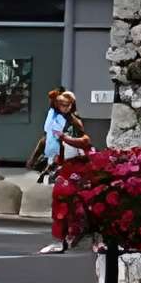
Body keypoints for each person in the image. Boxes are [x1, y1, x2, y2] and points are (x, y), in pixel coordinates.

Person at [29, 87, 92, 252]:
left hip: (75, 163)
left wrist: (67, 139)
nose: (65, 108)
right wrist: (34, 157)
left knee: (72, 198)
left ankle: (75, 233)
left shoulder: (74, 122)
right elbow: (46, 139)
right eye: (61, 105)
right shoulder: (53, 120)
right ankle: (60, 238)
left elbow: (85, 141)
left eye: (67, 105)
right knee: (60, 200)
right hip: (59, 163)